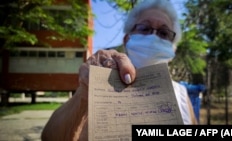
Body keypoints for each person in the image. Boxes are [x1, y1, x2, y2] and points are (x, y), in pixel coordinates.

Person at [41, 0, 197, 140]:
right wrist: (86, 93)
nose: (153, 36)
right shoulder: (102, 85)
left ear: (173, 48)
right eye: (145, 28)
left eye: (164, 33)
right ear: (127, 39)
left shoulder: (181, 93)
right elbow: (50, 137)